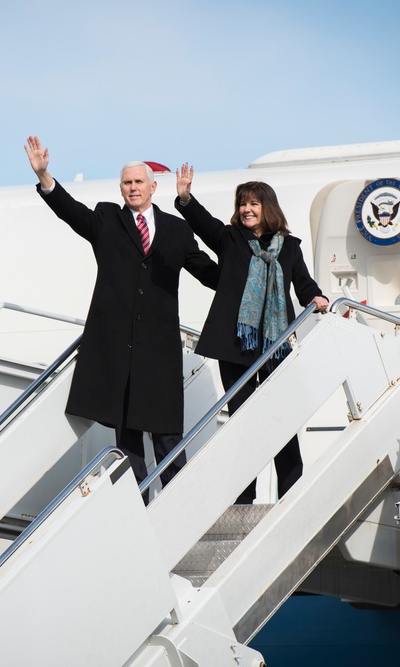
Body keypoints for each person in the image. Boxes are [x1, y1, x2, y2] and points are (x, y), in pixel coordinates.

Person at [24, 136, 218, 492]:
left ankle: (178, 499)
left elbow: (207, 271)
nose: (132, 188)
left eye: (138, 182)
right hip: (120, 352)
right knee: (128, 440)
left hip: (159, 350)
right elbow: (70, 211)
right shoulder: (106, 219)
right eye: (127, 183)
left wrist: (243, 273)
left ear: (153, 187)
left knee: (167, 434)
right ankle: (139, 503)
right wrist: (45, 176)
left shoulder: (176, 229)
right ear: (121, 188)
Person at [175, 164, 328, 503]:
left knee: (280, 417)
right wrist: (185, 198)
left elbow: (302, 282)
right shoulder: (230, 239)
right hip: (236, 347)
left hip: (276, 346)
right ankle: (244, 499)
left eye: (253, 204)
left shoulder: (289, 247)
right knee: (242, 421)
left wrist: (316, 297)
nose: (246, 209)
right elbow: (204, 224)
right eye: (242, 203)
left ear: (267, 208)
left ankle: (291, 494)